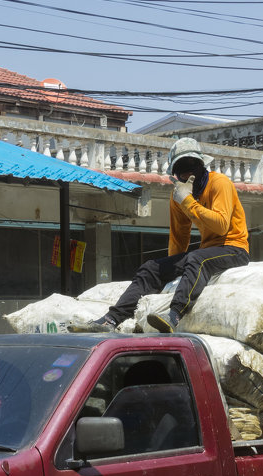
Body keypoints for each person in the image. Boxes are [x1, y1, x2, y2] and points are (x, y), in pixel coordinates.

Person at [71, 137, 250, 334]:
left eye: (192, 167)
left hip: (234, 248)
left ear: (201, 166)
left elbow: (221, 226)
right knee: (150, 269)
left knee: (196, 258)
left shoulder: (219, 184)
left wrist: (189, 201)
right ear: (175, 175)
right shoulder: (179, 197)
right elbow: (179, 237)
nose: (188, 174)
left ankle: (174, 315)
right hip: (207, 251)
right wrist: (169, 269)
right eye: (182, 170)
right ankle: (111, 319)